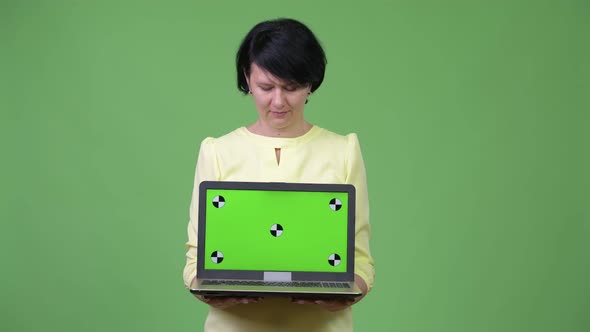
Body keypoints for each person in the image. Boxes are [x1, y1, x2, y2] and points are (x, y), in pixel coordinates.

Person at [183, 18, 375, 331]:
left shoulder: (344, 150)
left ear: (311, 83)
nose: (278, 101)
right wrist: (207, 288)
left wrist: (350, 292)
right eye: (266, 87)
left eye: (291, 88)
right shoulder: (216, 151)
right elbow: (195, 259)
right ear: (247, 77)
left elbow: (361, 260)